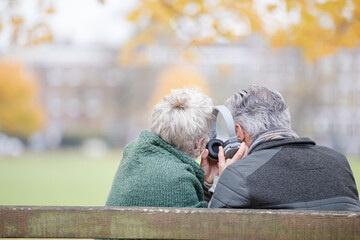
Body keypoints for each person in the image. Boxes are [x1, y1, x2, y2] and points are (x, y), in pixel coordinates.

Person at [202, 85, 360, 211]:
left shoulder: (237, 176)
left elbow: (212, 230)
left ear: (239, 132)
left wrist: (218, 184)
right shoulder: (339, 163)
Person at [106, 88, 213, 208]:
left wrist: (205, 182)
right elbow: (206, 224)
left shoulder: (132, 154)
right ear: (199, 144)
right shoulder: (180, 180)